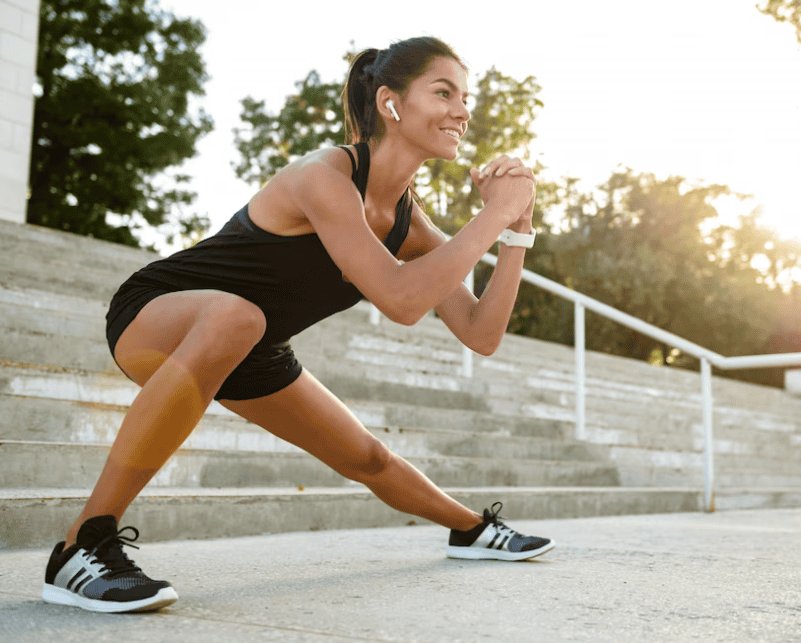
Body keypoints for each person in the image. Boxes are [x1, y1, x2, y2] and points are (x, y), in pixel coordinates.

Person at [41, 36, 554, 614]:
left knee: (368, 458)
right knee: (238, 315)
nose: (463, 110)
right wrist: (493, 213)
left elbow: (481, 334)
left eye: (466, 97)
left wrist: (517, 232)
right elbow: (401, 301)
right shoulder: (324, 175)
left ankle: (473, 530)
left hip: (250, 344)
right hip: (159, 311)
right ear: (390, 103)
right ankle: (80, 547)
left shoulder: (410, 224)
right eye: (444, 92)